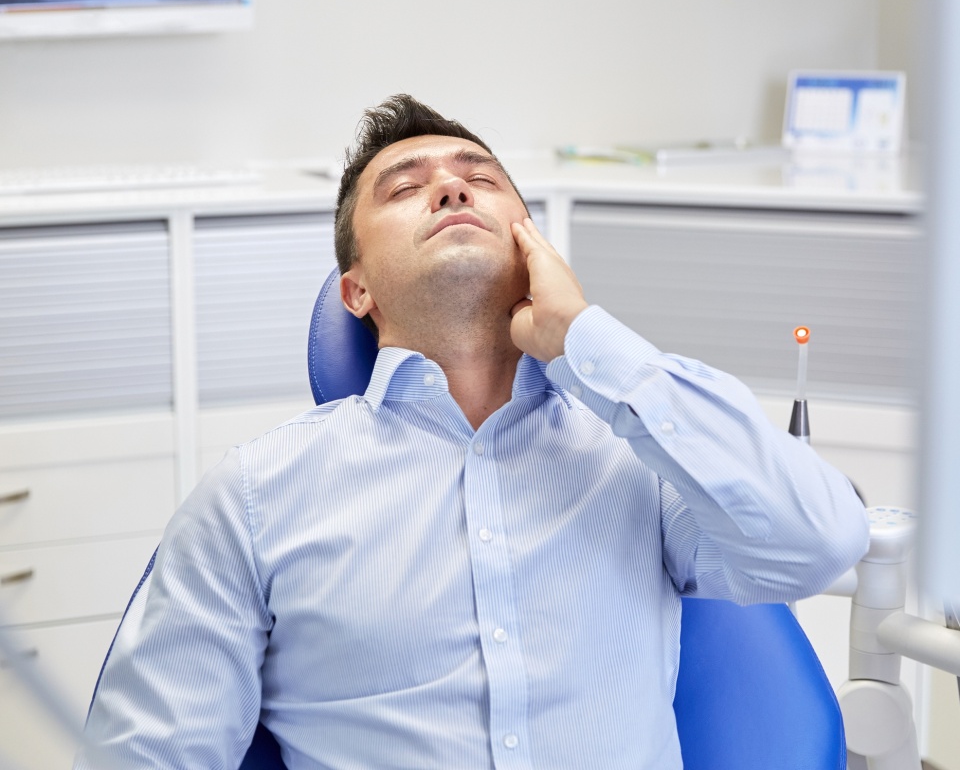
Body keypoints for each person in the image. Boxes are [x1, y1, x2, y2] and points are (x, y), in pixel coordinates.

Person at [75, 94, 869, 770]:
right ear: (356, 291)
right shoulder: (252, 497)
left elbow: (822, 541)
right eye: (404, 188)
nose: (452, 190)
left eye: (480, 180)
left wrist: (588, 340)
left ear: (533, 245)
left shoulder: (638, 459)